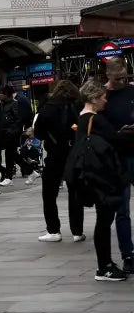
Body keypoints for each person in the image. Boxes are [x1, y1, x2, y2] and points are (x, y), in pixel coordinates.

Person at [65, 80, 129, 281]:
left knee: (104, 219)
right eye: (102, 97)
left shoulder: (82, 118)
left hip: (91, 175)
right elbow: (114, 141)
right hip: (102, 175)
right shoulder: (96, 119)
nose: (105, 100)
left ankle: (106, 264)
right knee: (104, 220)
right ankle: (105, 267)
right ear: (93, 98)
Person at [100, 57, 134, 274]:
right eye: (118, 78)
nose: (123, 80)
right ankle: (128, 254)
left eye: (125, 76)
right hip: (118, 157)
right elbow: (98, 127)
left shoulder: (132, 91)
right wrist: (116, 134)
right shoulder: (103, 96)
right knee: (122, 209)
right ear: (108, 75)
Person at [0, 87, 24, 184]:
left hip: (11, 133)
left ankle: (9, 177)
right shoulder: (2, 104)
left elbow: (18, 119)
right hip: (6, 133)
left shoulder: (14, 103)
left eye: (1, 93)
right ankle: (29, 170)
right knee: (12, 154)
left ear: (6, 94)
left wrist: (12, 131)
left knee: (10, 154)